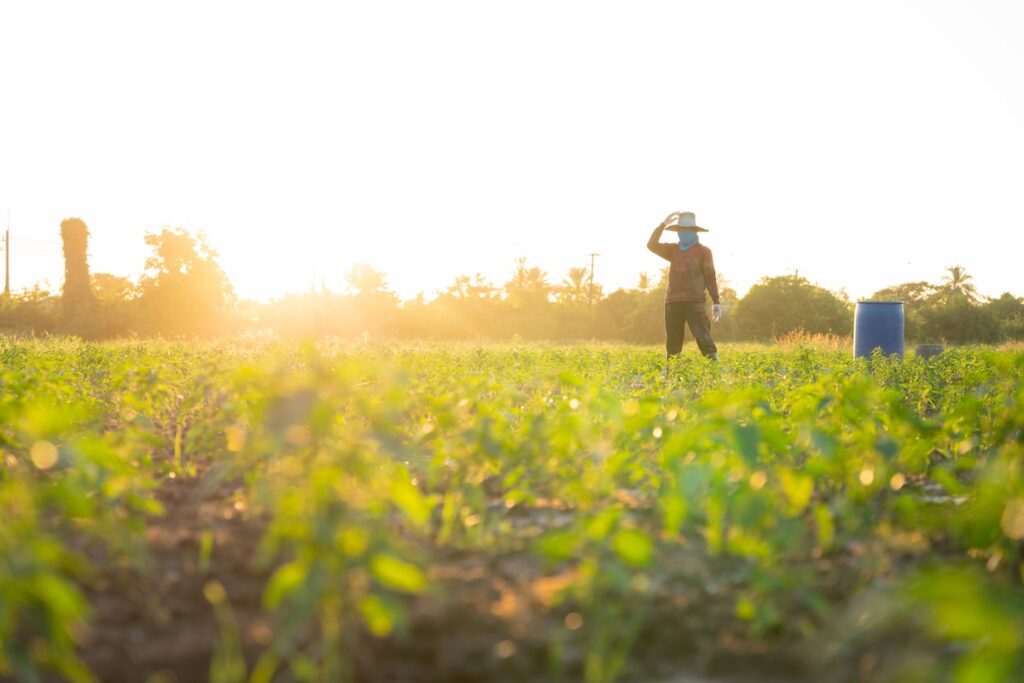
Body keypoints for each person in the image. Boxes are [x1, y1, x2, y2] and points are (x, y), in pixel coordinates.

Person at [647, 211, 722, 360]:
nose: (683, 233)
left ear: (693, 231)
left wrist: (716, 301)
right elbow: (651, 245)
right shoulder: (673, 250)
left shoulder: (704, 252)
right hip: (673, 301)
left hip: (695, 302)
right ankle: (672, 377)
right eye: (680, 230)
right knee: (673, 343)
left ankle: (715, 372)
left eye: (686, 230)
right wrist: (663, 224)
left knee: (704, 338)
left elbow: (710, 277)